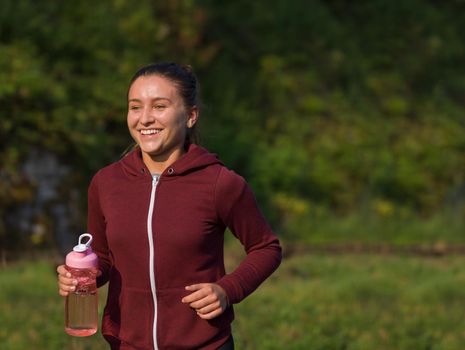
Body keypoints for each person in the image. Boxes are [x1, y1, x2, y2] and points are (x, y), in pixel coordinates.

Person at [57, 62, 282, 350]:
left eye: (159, 106)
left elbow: (266, 248)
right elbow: (104, 258)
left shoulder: (220, 183)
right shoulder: (106, 182)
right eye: (135, 107)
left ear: (190, 116)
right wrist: (82, 276)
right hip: (127, 344)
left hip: (204, 344)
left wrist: (227, 290)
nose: (145, 118)